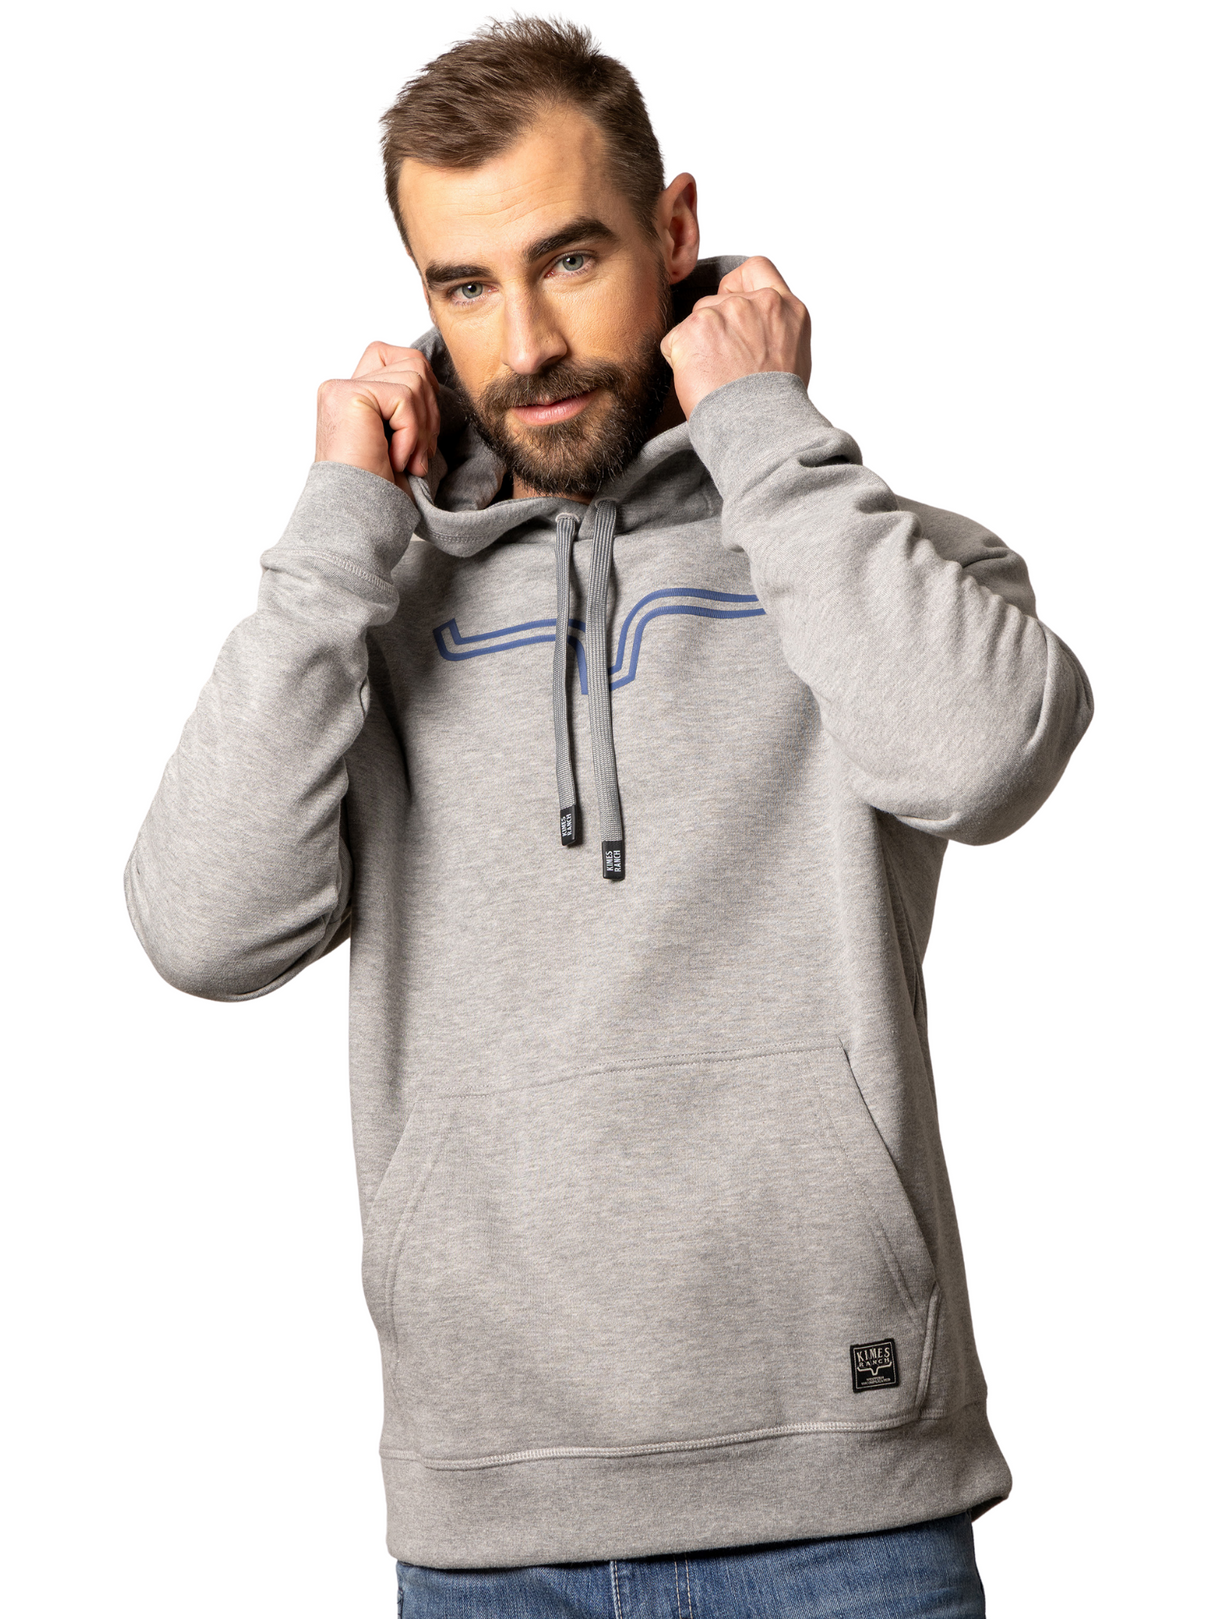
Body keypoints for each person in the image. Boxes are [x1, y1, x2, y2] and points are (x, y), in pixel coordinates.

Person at [125, 17, 1094, 1617]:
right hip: (489, 1523)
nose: (526, 343)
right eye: (463, 286)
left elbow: (981, 759)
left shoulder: (863, 556)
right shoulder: (365, 607)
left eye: (569, 259)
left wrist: (769, 441)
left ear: (673, 231)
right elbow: (203, 930)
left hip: (845, 1502)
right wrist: (336, 529)